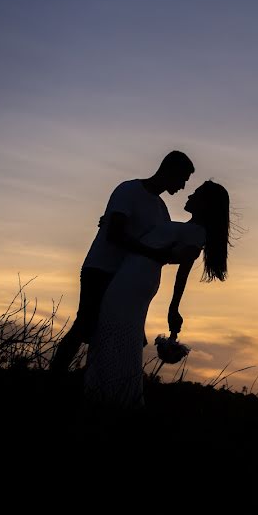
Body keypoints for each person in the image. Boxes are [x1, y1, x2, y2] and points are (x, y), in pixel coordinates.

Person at [82, 180, 230, 410]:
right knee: (116, 329)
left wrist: (174, 307)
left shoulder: (196, 232)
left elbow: (182, 267)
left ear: (206, 204)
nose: (190, 195)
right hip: (133, 273)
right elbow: (147, 239)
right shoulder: (182, 226)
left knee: (115, 329)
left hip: (137, 277)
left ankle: (112, 395)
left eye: (197, 193)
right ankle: (109, 393)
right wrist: (114, 225)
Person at [49, 150, 196, 375]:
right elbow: (115, 234)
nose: (184, 186)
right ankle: (54, 379)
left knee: (122, 335)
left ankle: (102, 383)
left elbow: (160, 250)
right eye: (183, 179)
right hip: (101, 268)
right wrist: (152, 253)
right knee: (85, 325)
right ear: (170, 170)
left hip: (124, 279)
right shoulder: (129, 190)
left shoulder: (161, 210)